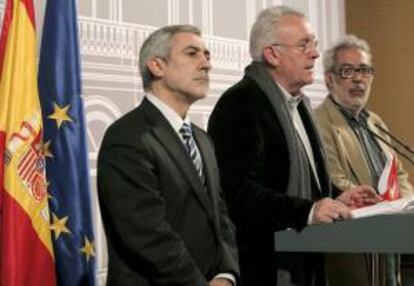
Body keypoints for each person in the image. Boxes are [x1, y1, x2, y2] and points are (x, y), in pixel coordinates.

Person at [207, 5, 380, 286]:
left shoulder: (300, 105)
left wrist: (336, 198)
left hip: (307, 265)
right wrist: (308, 211)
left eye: (314, 44)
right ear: (272, 53)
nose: (314, 53)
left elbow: (301, 181)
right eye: (304, 45)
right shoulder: (239, 105)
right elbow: (238, 193)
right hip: (264, 268)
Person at [97, 25, 239, 286]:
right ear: (157, 66)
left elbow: (222, 221)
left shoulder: (203, 139)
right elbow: (147, 234)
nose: (206, 64)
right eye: (192, 53)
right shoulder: (128, 137)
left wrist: (226, 275)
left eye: (207, 55)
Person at [314, 34, 413, 286]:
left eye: (365, 70)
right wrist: (379, 205)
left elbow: (399, 173)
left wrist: (399, 204)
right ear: (329, 79)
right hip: (351, 247)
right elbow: (333, 178)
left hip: (389, 243)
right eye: (347, 71)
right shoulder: (319, 122)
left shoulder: (374, 121)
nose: (358, 78)